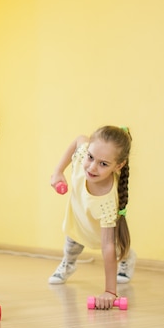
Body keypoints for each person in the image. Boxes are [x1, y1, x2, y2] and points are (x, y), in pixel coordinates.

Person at [48, 125, 136, 310]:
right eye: (91, 157)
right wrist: (58, 171)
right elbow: (79, 138)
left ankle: (127, 257)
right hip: (79, 217)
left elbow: (107, 246)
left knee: (118, 249)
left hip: (103, 231)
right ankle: (68, 265)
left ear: (118, 166)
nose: (92, 167)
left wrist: (110, 292)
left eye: (103, 164)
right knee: (71, 247)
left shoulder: (107, 202)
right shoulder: (82, 157)